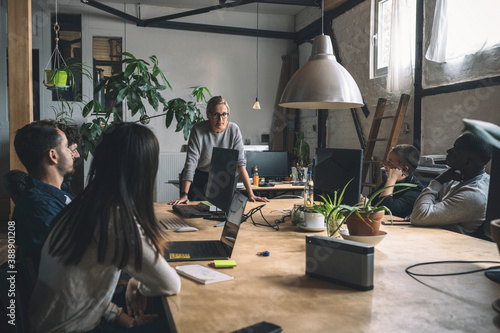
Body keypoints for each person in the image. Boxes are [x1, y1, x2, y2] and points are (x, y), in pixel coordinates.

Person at [29, 123, 181, 332]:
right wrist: (138, 284)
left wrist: (135, 283)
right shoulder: (113, 217)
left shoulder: (85, 204)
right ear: (143, 169)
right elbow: (170, 284)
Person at [169, 96, 269, 205]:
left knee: (220, 213)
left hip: (221, 178)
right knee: (195, 212)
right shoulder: (198, 130)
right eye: (216, 114)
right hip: (199, 177)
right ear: (208, 114)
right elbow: (191, 163)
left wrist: (251, 194)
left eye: (224, 114)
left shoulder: (233, 130)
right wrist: (184, 195)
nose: (220, 119)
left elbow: (241, 164)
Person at [10, 120, 78, 270]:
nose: (74, 154)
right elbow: (74, 261)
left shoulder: (58, 193)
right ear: (53, 155)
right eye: (67, 147)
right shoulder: (39, 208)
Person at [410, 132, 492, 236]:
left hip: (453, 246)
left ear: (468, 162)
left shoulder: (474, 194)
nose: (448, 151)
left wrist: (437, 182)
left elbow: (418, 217)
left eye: (455, 150)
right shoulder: (463, 177)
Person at [361, 144, 424, 218]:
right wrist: (364, 200)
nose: (384, 164)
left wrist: (391, 179)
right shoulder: (393, 180)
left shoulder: (417, 190)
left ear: (404, 169)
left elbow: (385, 209)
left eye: (389, 162)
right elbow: (371, 199)